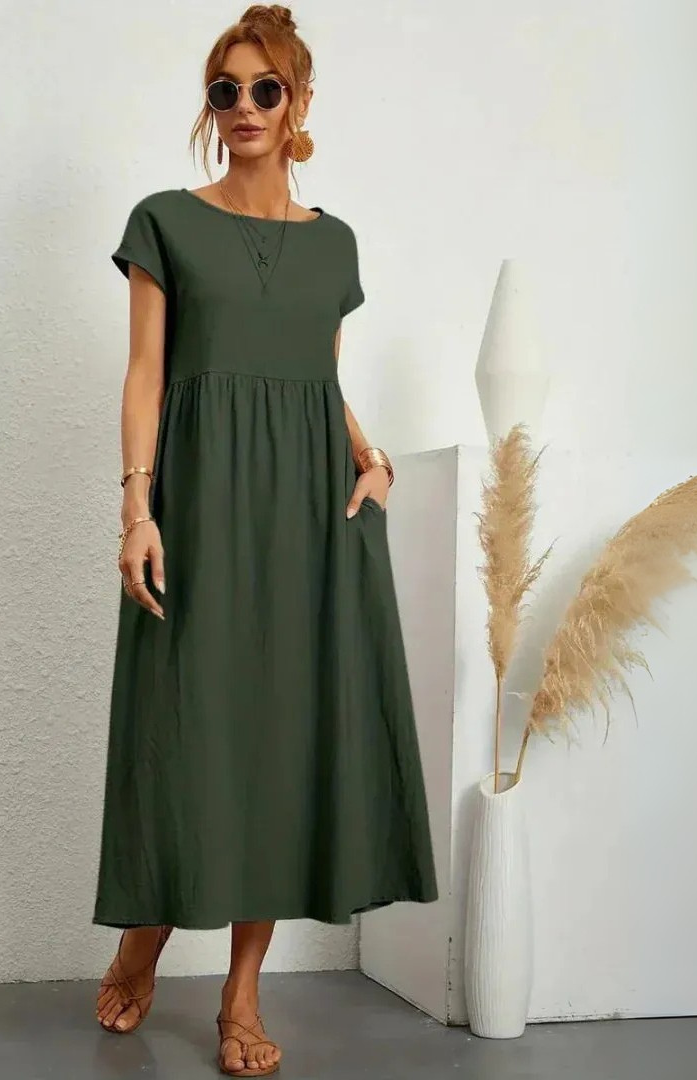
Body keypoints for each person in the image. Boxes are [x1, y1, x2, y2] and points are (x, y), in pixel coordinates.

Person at [93, 5, 439, 1075]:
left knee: (283, 743)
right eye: (225, 90)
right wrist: (137, 508)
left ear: (299, 104)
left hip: (310, 513)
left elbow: (318, 376)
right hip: (199, 507)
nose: (243, 107)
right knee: (186, 732)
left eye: (264, 89)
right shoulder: (165, 222)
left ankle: (241, 994)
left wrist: (371, 456)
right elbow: (146, 373)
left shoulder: (334, 244)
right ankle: (145, 938)